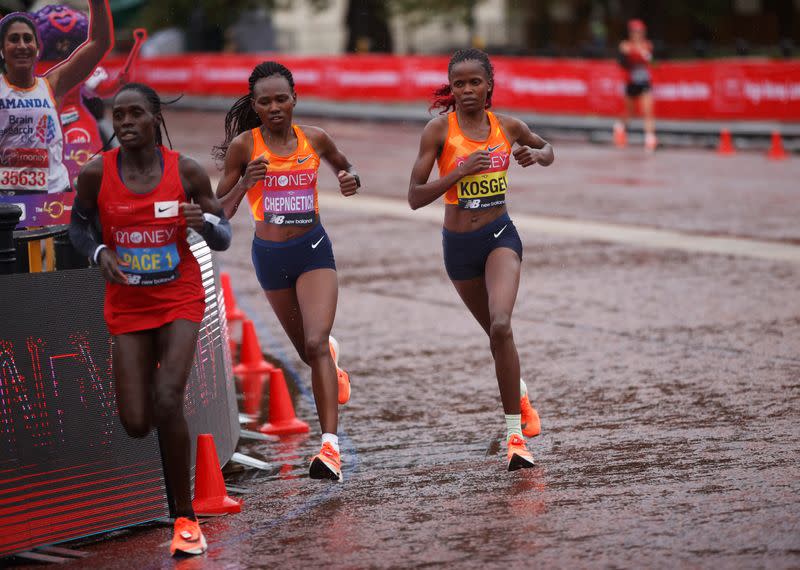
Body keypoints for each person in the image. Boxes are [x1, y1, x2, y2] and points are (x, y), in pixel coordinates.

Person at [68, 82, 232, 556]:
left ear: (155, 118)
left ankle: (185, 518)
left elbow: (222, 234)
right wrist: (99, 250)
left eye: (135, 114)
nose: (125, 123)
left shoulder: (185, 171)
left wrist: (205, 223)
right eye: (118, 116)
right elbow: (78, 225)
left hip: (179, 295)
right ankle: (178, 506)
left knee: (168, 397)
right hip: (127, 303)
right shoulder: (97, 173)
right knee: (137, 421)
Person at [408, 48, 552, 472]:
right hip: (459, 247)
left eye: (475, 82)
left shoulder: (507, 126)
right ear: (451, 89)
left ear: (489, 84)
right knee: (494, 334)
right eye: (459, 84)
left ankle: (514, 436)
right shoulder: (438, 131)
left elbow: (547, 149)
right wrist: (458, 172)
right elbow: (415, 197)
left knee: (502, 324)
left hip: (500, 237)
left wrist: (535, 155)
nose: (467, 90)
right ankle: (520, 395)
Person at [214, 61, 358, 483]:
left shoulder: (315, 138)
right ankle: (330, 359)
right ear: (255, 105)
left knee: (314, 342)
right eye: (265, 101)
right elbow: (218, 212)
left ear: (294, 99)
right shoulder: (245, 146)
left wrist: (349, 179)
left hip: (313, 249)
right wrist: (245, 183)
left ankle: (329, 447)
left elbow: (345, 167)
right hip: (270, 257)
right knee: (310, 353)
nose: (275, 106)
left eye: (282, 98)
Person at [0, 1, 111, 194]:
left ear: (37, 49)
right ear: (2, 50)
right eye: (14, 39)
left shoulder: (52, 85)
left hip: (54, 198)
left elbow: (99, 43)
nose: (22, 45)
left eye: (28, 39)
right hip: (9, 200)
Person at [614, 19, 657, 152]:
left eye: (640, 31)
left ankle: (650, 139)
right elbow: (622, 63)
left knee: (647, 111)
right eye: (635, 32)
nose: (637, 34)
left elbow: (652, 62)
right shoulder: (624, 45)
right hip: (631, 83)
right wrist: (629, 53)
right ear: (631, 33)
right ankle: (619, 127)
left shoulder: (648, 45)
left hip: (644, 82)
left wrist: (638, 52)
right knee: (629, 112)